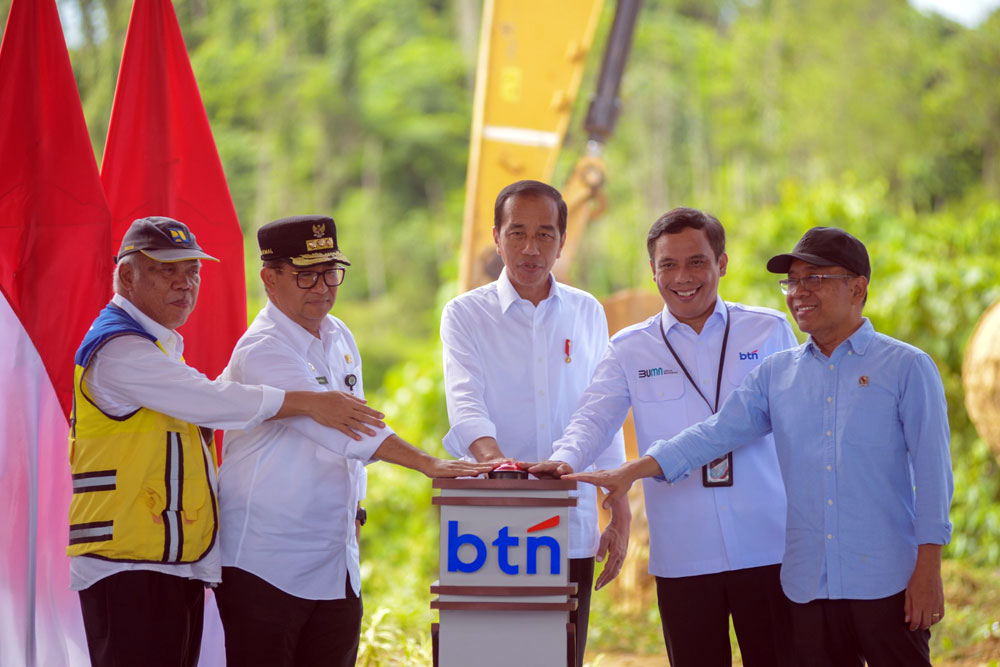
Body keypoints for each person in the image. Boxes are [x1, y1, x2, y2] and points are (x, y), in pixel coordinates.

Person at [567, 226, 954, 667]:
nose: (799, 293)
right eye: (793, 282)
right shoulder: (777, 374)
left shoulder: (906, 367)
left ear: (857, 287)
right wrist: (630, 472)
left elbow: (933, 477)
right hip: (809, 589)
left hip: (885, 583)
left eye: (816, 280)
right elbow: (712, 434)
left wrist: (929, 569)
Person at [68, 216, 389, 667]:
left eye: (192, 271)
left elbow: (215, 399)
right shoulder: (121, 349)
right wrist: (307, 402)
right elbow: (211, 400)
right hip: (127, 561)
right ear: (126, 275)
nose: (185, 284)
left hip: (168, 556)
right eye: (167, 270)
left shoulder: (160, 348)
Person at [214, 215, 494, 667]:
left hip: (335, 559)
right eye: (306, 275)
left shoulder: (339, 335)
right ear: (270, 278)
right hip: (265, 563)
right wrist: (428, 463)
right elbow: (341, 428)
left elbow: (354, 427)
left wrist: (356, 514)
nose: (323, 287)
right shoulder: (261, 349)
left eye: (331, 272)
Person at [529, 208, 796, 666]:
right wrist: (565, 460)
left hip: (768, 546)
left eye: (696, 262)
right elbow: (593, 417)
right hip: (684, 553)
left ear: (722, 263)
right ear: (652, 271)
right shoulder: (631, 347)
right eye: (667, 265)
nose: (682, 277)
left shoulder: (768, 330)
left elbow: (799, 425)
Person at [440, 179, 629, 666]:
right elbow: (465, 405)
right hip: (490, 529)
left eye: (545, 234)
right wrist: (503, 472)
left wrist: (619, 503)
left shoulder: (587, 311)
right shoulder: (465, 314)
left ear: (563, 240)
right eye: (517, 232)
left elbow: (601, 411)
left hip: (571, 523)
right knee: (491, 656)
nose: (530, 248)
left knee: (563, 653)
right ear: (496, 236)